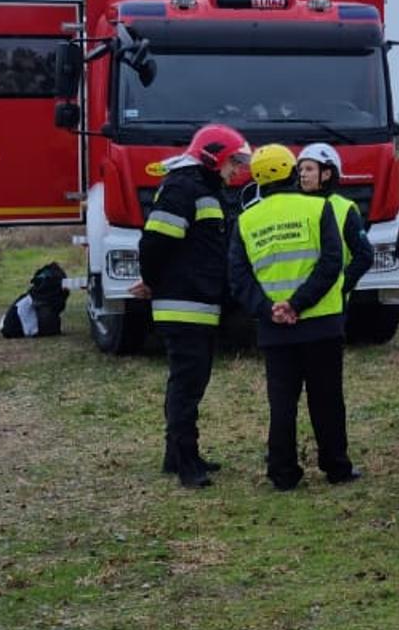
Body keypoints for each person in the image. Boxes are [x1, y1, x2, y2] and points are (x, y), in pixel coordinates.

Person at [229, 144, 358, 490]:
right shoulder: (318, 208)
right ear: (290, 172)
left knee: (282, 403)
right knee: (327, 399)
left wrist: (269, 308)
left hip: (274, 327)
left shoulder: (245, 220)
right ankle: (336, 466)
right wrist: (299, 304)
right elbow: (332, 262)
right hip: (322, 322)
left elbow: (239, 278)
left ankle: (283, 472)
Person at [135, 123, 250, 489]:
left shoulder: (203, 188)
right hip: (183, 302)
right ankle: (187, 465)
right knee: (187, 383)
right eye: (234, 162)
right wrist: (153, 282)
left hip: (197, 300)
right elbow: (155, 242)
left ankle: (179, 454)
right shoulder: (184, 187)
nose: (237, 171)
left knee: (191, 381)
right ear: (213, 156)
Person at [295, 143, 374, 304]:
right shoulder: (292, 205)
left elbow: (364, 255)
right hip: (294, 298)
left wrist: (341, 286)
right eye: (301, 169)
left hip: (331, 304)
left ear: (326, 174)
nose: (302, 174)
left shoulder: (345, 208)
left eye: (309, 169)